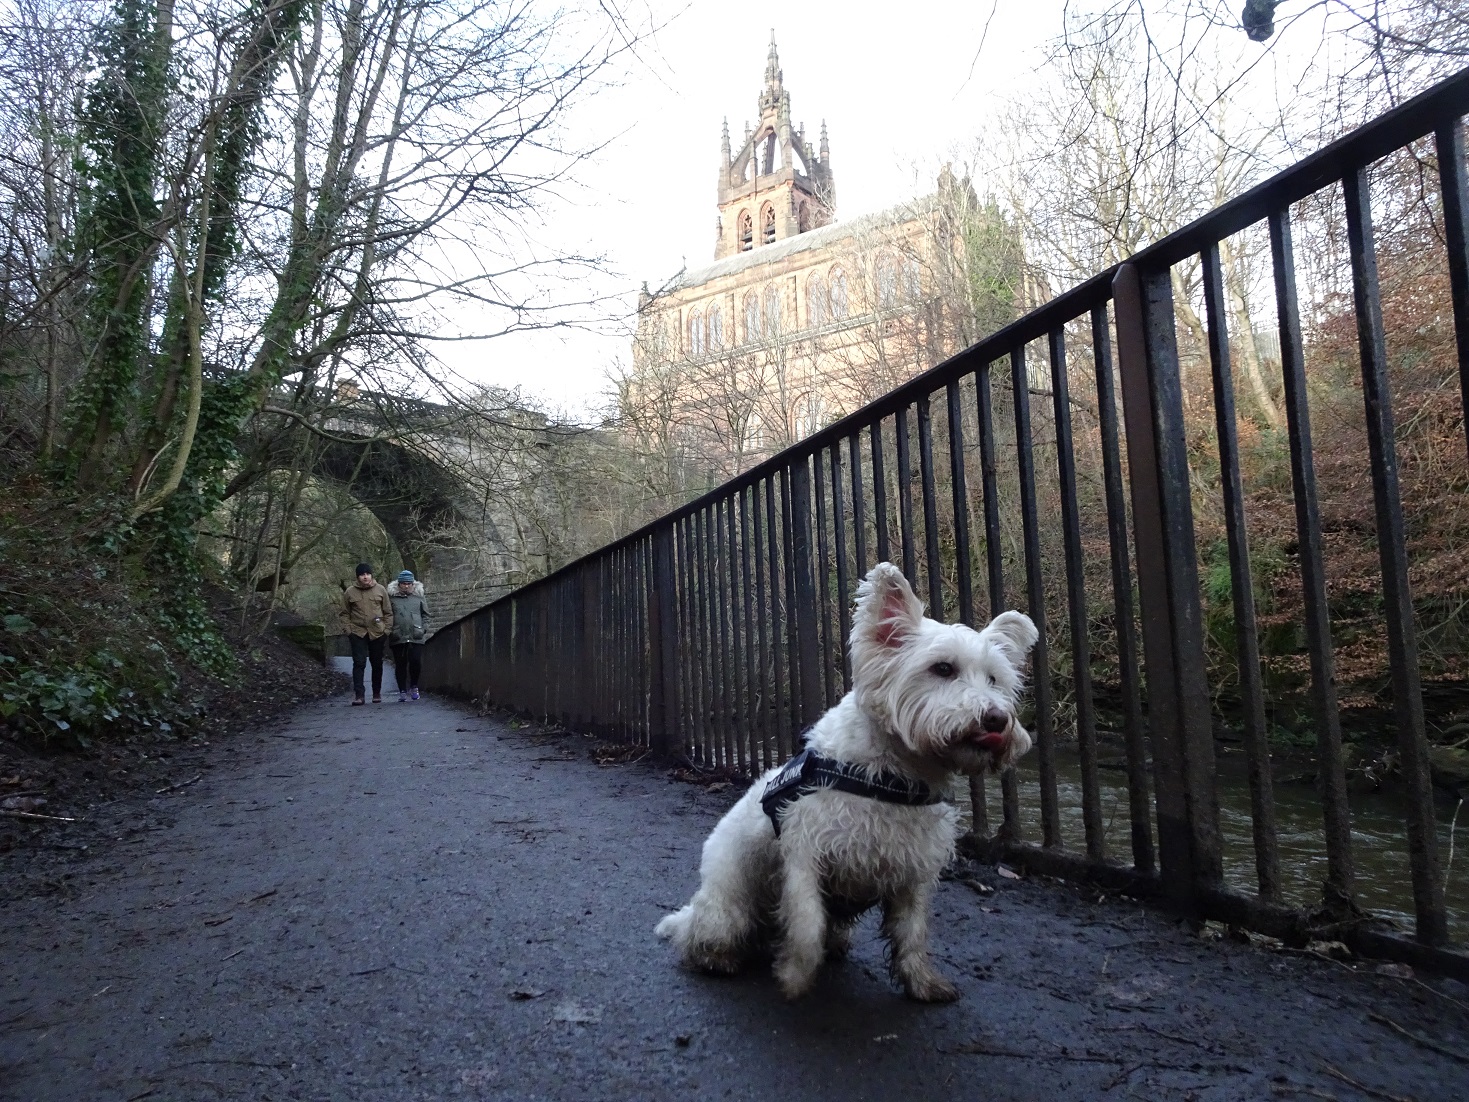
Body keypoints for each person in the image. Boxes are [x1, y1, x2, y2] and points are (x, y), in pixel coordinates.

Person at [341, 562, 393, 705]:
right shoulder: (350, 592)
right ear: (357, 577)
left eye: (367, 574)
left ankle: (376, 693)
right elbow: (344, 613)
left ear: (371, 575)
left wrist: (386, 630)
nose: (365, 577)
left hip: (377, 632)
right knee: (359, 663)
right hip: (357, 632)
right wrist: (348, 630)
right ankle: (359, 695)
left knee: (377, 663)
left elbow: (388, 612)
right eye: (362, 575)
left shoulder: (381, 590)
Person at [387, 569, 431, 702]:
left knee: (415, 662)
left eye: (409, 583)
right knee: (400, 664)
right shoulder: (391, 598)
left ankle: (414, 686)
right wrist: (389, 630)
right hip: (397, 635)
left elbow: (426, 615)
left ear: (413, 584)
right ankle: (402, 690)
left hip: (416, 635)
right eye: (403, 583)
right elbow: (386, 615)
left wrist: (424, 629)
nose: (406, 586)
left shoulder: (419, 597)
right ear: (398, 584)